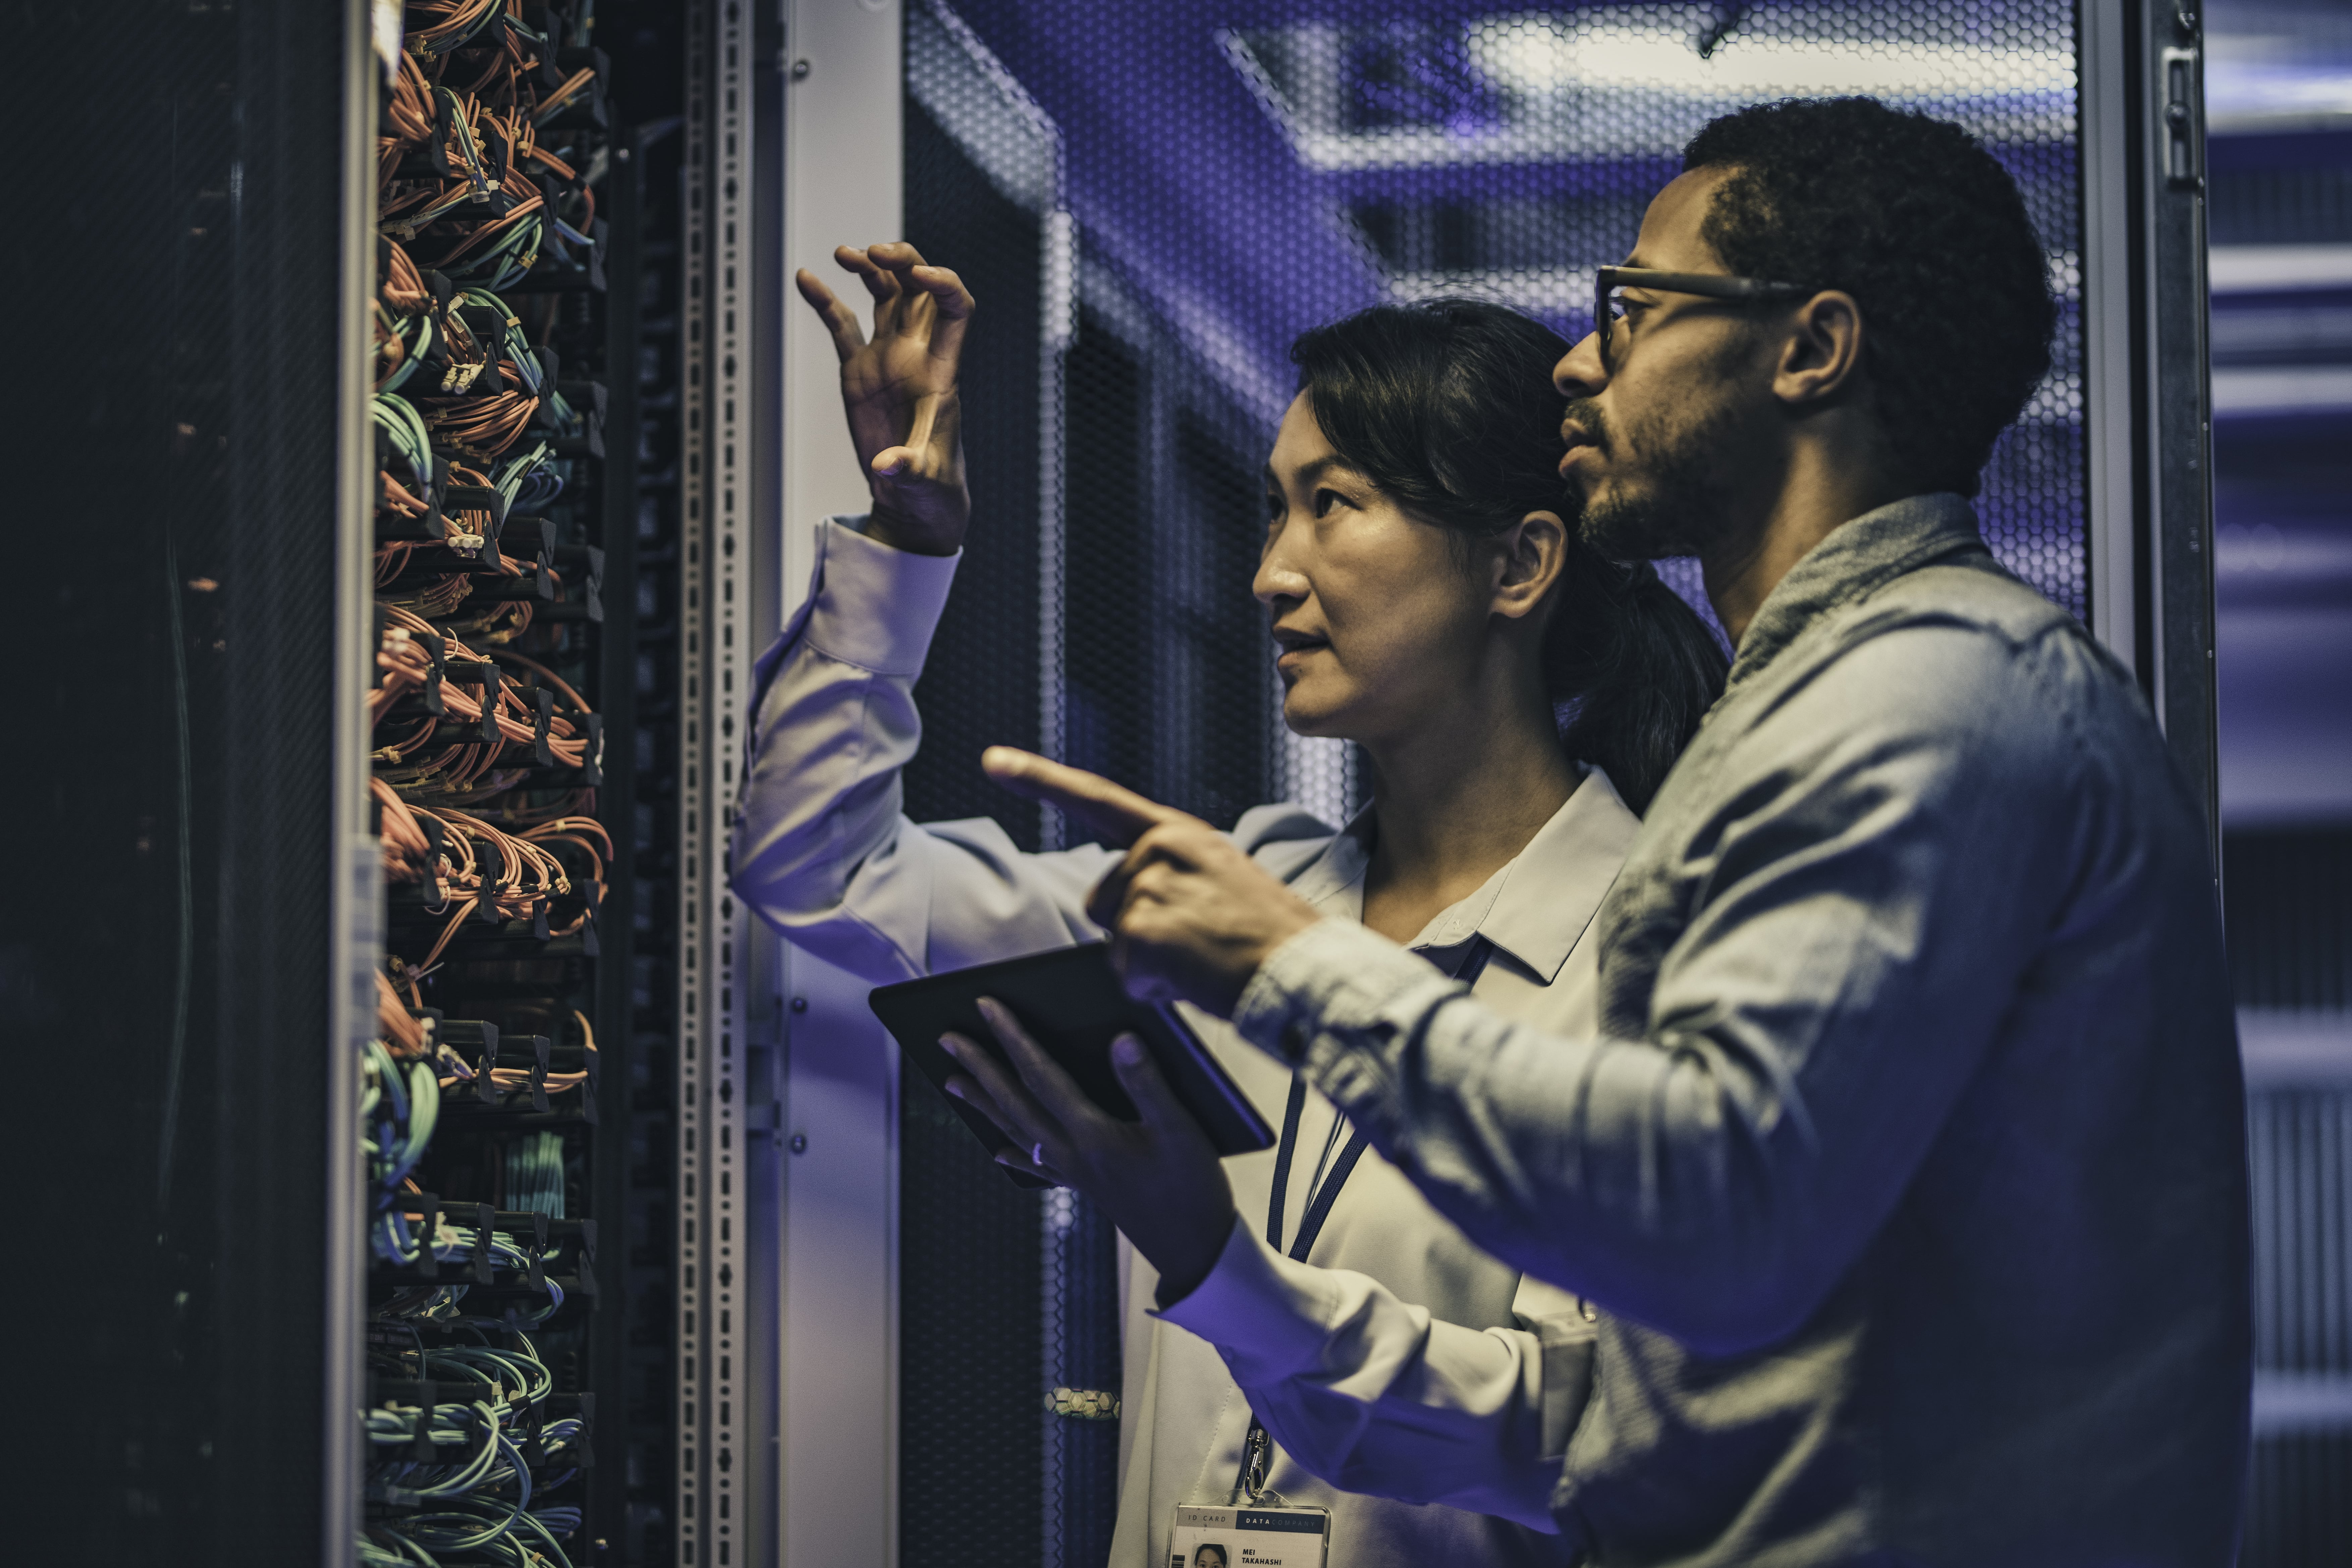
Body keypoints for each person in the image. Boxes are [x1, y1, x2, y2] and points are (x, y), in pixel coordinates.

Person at [957, 96, 2252, 1567]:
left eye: (1633, 309)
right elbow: (1610, 1404)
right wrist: (1212, 1248)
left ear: (1808, 350)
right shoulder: (1805, 719)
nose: (1580, 360)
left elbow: (1708, 1200)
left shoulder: (1928, 690)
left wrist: (1287, 963)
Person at [731, 242, 1726, 1568]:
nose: (1269, 569)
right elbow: (819, 866)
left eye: (1334, 502)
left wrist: (1214, 1256)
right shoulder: (1238, 897)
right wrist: (905, 549)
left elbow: (1567, 1433)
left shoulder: (1652, 957)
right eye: (1273, 509)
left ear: (1516, 564)